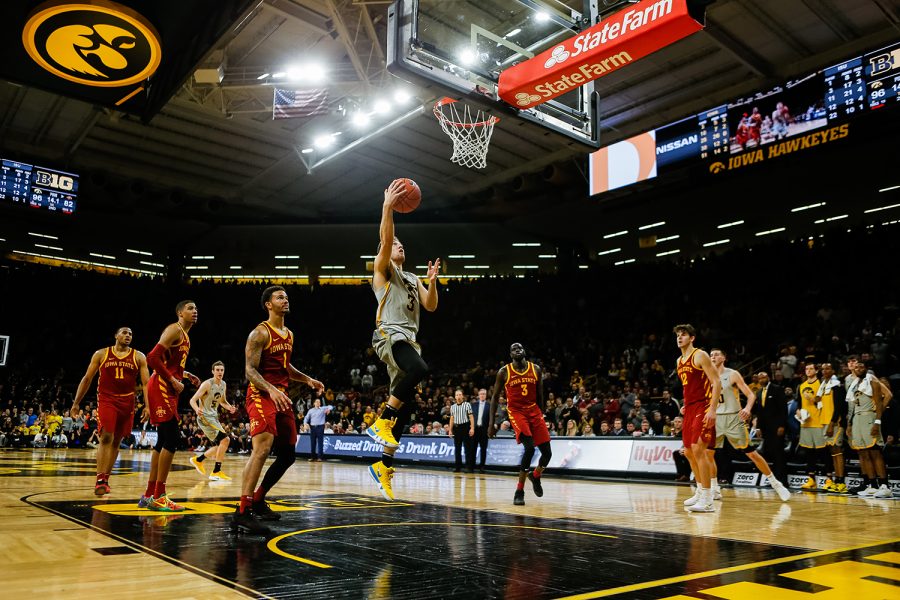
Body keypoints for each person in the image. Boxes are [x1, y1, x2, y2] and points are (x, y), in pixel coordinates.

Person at [365, 180, 440, 501]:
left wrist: (433, 283)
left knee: (406, 407)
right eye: (395, 243)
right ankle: (381, 420)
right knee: (421, 370)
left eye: (401, 243)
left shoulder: (411, 278)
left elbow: (430, 305)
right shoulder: (382, 271)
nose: (400, 245)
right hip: (388, 334)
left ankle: (383, 465)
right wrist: (387, 208)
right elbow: (384, 239)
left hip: (407, 340)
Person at [234, 286, 324, 534]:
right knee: (262, 449)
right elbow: (250, 371)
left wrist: (306, 379)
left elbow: (287, 367)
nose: (286, 300)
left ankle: (260, 498)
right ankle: (242, 510)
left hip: (280, 397)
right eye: (280, 297)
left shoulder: (289, 334)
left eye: (286, 297)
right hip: (261, 395)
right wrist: (271, 389)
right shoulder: (259, 334)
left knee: (288, 455)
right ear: (268, 305)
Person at [71, 326, 150, 496]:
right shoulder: (101, 354)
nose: (128, 335)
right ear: (116, 335)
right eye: (124, 332)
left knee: (117, 441)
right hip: (107, 399)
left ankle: (106, 478)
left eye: (130, 333)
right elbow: (87, 379)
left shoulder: (139, 356)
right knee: (107, 436)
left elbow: (146, 384)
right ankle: (100, 479)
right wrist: (76, 402)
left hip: (128, 400)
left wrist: (148, 405)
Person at [139, 302, 201, 512]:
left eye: (196, 309)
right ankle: (159, 495)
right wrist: (174, 381)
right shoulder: (174, 329)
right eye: (190, 308)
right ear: (179, 312)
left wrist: (185, 374)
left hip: (167, 385)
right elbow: (152, 357)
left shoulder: (185, 335)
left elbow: (169, 364)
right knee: (172, 438)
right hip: (162, 386)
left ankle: (149, 494)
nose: (195, 311)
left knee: (163, 441)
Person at [707, 350, 790, 502]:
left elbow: (751, 395)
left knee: (751, 453)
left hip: (733, 417)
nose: (713, 357)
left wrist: (747, 408)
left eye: (717, 354)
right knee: (709, 454)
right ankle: (714, 489)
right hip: (715, 418)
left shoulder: (732, 374)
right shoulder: (706, 374)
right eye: (711, 355)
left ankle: (776, 484)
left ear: (724, 357)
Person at [489, 343, 552, 506]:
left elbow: (540, 394)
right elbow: (495, 397)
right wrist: (491, 424)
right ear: (510, 354)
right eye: (514, 349)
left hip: (534, 410)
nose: (517, 350)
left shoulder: (536, 369)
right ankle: (519, 490)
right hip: (516, 412)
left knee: (547, 453)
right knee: (530, 448)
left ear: (525, 351)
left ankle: (536, 476)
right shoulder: (504, 372)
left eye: (520, 348)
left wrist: (543, 414)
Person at [674, 324, 721, 513]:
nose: (679, 338)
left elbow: (716, 381)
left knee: (699, 449)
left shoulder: (700, 355)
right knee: (688, 451)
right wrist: (687, 403)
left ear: (692, 338)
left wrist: (712, 409)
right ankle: (700, 491)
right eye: (677, 335)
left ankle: (708, 499)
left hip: (704, 405)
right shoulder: (679, 360)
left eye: (683, 335)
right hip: (691, 407)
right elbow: (690, 386)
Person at [847, 360, 893, 498]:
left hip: (869, 418)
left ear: (867, 368)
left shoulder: (871, 379)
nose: (859, 368)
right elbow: (853, 405)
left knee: (875, 452)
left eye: (862, 366)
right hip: (857, 419)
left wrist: (877, 419)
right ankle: (873, 485)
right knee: (863, 453)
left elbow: (886, 397)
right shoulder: (855, 384)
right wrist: (849, 424)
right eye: (856, 366)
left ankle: (885, 486)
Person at [188, 361, 237, 481]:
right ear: (213, 371)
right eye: (217, 370)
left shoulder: (223, 384)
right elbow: (192, 400)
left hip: (213, 417)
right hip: (205, 417)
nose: (220, 372)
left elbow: (222, 401)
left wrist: (229, 407)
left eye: (222, 370)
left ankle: (198, 460)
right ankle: (216, 471)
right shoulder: (207, 384)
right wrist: (196, 409)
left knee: (220, 446)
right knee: (225, 440)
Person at [796, 363, 829, 490]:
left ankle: (829, 479)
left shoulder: (821, 384)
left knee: (823, 452)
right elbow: (799, 403)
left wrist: (814, 399)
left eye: (811, 369)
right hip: (805, 423)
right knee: (809, 452)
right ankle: (811, 479)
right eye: (806, 369)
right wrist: (798, 411)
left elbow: (824, 403)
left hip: (819, 422)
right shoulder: (802, 385)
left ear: (816, 371)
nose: (808, 371)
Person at [754, 371, 789, 486]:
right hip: (766, 429)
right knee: (771, 454)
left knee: (779, 454)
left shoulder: (777, 389)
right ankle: (774, 481)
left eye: (763, 377)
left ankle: (782, 480)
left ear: (768, 377)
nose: (761, 379)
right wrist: (758, 428)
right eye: (759, 378)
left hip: (777, 427)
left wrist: (782, 425)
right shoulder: (759, 392)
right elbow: (759, 412)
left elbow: (783, 409)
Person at [818, 363, 848, 492]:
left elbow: (839, 407)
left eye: (828, 368)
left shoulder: (837, 386)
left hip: (835, 423)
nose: (824, 370)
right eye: (823, 369)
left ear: (833, 371)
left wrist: (832, 423)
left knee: (838, 451)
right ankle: (836, 481)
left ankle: (841, 482)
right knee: (833, 452)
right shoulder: (824, 385)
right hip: (824, 421)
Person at [449, 388, 474, 473]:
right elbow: (451, 419)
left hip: (465, 427)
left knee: (467, 448)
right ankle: (457, 467)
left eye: (460, 394)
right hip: (457, 428)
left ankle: (468, 467)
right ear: (455, 397)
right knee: (457, 449)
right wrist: (450, 430)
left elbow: (471, 417)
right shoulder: (452, 407)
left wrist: (472, 428)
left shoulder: (467, 405)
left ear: (462, 396)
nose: (458, 396)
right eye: (457, 395)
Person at [471, 388, 491, 472]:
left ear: (486, 395)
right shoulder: (473, 405)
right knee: (473, 449)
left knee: (483, 449)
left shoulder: (489, 405)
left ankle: (482, 466)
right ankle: (472, 466)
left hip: (484, 430)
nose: (482, 395)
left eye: (484, 394)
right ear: (478, 395)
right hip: (475, 430)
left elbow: (491, 419)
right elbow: (470, 417)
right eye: (481, 394)